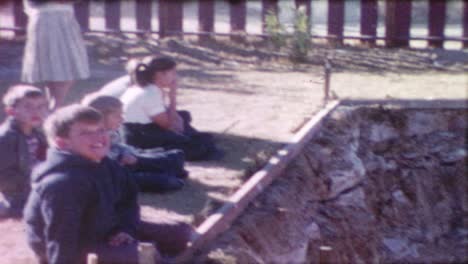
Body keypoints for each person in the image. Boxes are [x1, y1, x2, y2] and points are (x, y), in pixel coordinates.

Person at [23, 104, 193, 264]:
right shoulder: (61, 183)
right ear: (62, 143)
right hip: (73, 245)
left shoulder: (106, 164)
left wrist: (125, 229)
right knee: (138, 256)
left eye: (101, 130)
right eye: (85, 133)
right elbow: (61, 237)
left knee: (181, 232)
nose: (99, 137)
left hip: (105, 228)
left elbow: (127, 200)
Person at [120, 56, 223, 161]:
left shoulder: (143, 87)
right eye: (173, 73)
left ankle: (189, 138)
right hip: (140, 137)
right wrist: (172, 96)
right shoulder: (150, 92)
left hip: (140, 131)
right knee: (198, 146)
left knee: (184, 116)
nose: (175, 77)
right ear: (160, 74)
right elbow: (169, 125)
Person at [82, 94, 186, 193]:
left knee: (176, 155)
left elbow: (119, 148)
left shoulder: (110, 132)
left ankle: (170, 167)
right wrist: (124, 159)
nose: (122, 119)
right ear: (101, 117)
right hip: (116, 175)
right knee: (166, 181)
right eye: (117, 116)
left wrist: (129, 156)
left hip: (129, 160)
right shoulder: (92, 138)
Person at [21, 0, 90, 109]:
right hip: (50, 19)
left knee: (59, 68)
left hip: (62, 18)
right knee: (61, 67)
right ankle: (55, 107)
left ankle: (52, 106)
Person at [0, 85, 48, 218]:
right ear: (11, 112)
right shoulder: (5, 138)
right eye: (28, 107)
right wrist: (36, 182)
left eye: (40, 107)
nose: (36, 112)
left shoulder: (39, 134)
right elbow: (5, 178)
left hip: (38, 186)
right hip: (16, 195)